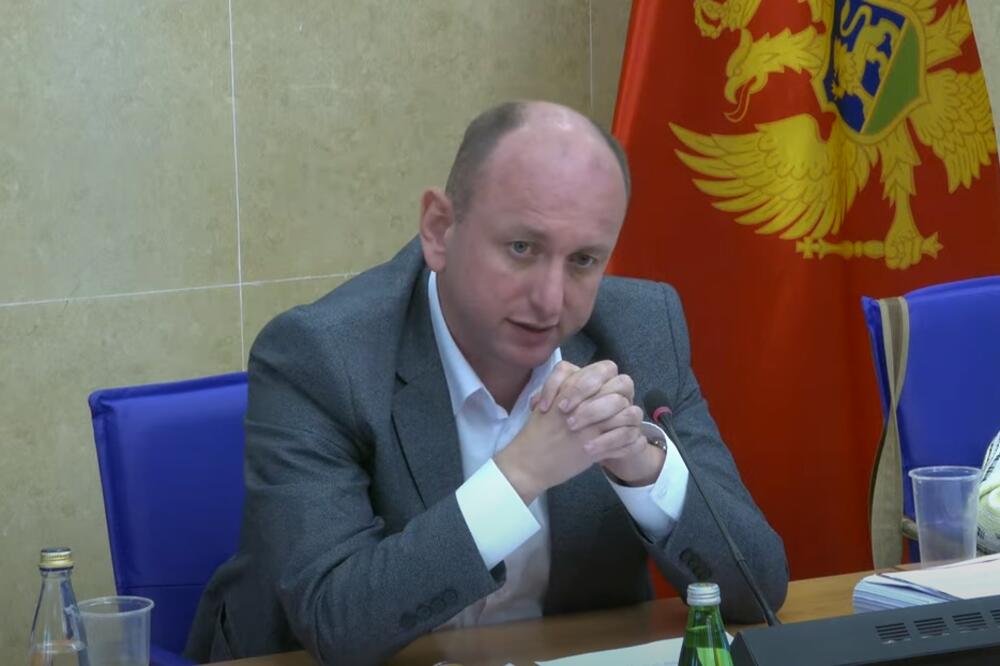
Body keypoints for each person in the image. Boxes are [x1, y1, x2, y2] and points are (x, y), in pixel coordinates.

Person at [186, 101, 788, 665]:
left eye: (584, 261)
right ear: (439, 229)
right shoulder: (321, 356)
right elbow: (335, 622)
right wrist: (521, 473)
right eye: (522, 248)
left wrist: (644, 469)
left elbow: (758, 590)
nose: (550, 300)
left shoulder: (641, 332)